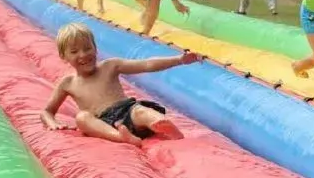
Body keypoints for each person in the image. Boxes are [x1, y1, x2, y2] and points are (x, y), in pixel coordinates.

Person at [41, 23, 200, 144]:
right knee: (82, 118)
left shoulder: (110, 66)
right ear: (63, 56)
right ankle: (122, 137)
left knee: (140, 111)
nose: (83, 54)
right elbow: (47, 111)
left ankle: (164, 126)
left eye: (87, 48)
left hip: (127, 112)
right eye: (74, 52)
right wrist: (53, 123)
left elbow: (146, 65)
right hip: (103, 124)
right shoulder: (68, 83)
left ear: (95, 49)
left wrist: (179, 60)